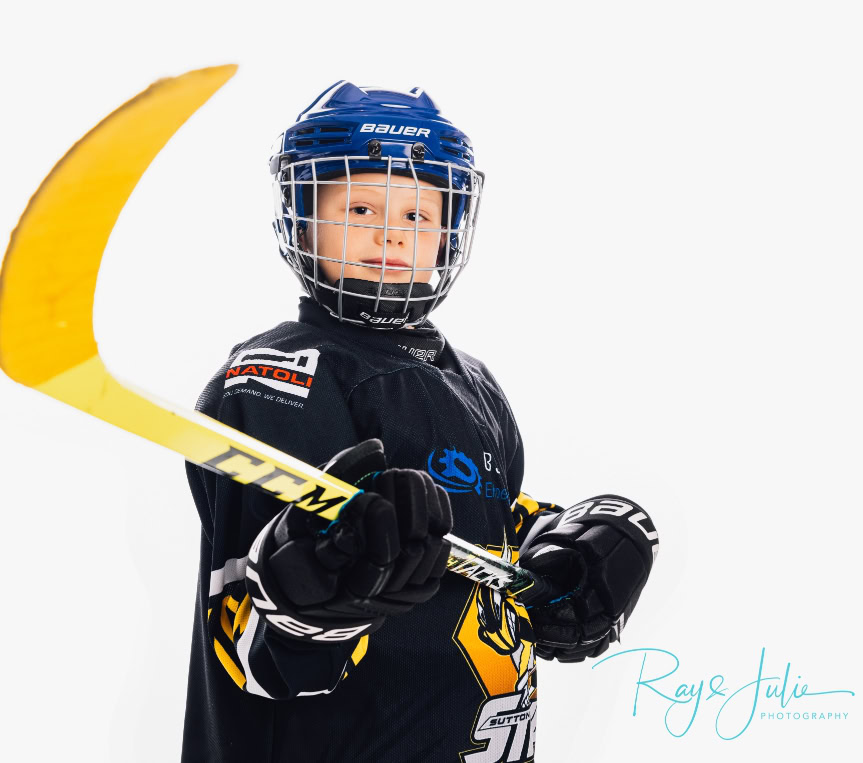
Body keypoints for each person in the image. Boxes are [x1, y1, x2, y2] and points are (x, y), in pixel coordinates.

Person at [182, 81, 659, 762]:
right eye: (360, 206)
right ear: (302, 218)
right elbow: (256, 651)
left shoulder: (475, 384)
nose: (389, 232)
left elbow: (481, 524)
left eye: (417, 214)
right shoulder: (283, 374)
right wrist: (310, 587)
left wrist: (570, 548)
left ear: (448, 230)